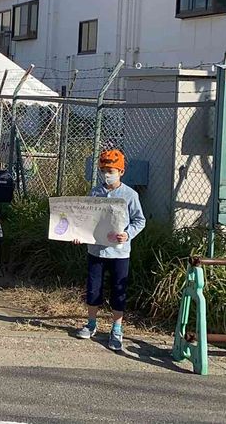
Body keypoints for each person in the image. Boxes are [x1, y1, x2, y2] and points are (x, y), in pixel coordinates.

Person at [73, 149, 146, 352]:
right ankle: (91, 323)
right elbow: (86, 219)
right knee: (93, 288)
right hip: (96, 250)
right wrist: (78, 234)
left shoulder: (130, 195)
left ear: (121, 171)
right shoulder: (95, 193)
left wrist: (128, 234)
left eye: (111, 171)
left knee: (118, 290)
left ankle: (117, 328)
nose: (107, 174)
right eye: (103, 170)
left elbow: (140, 220)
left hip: (119, 252)